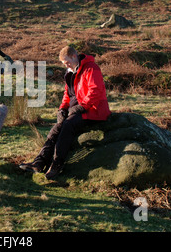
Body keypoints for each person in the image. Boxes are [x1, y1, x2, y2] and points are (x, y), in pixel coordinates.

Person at [19, 46, 111, 179]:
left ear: (74, 56)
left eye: (67, 62)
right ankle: (39, 162)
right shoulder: (70, 72)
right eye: (64, 64)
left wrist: (81, 107)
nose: (66, 65)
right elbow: (67, 94)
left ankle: (57, 165)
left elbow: (95, 91)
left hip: (93, 110)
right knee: (56, 129)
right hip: (77, 109)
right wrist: (62, 109)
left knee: (67, 126)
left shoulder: (91, 68)